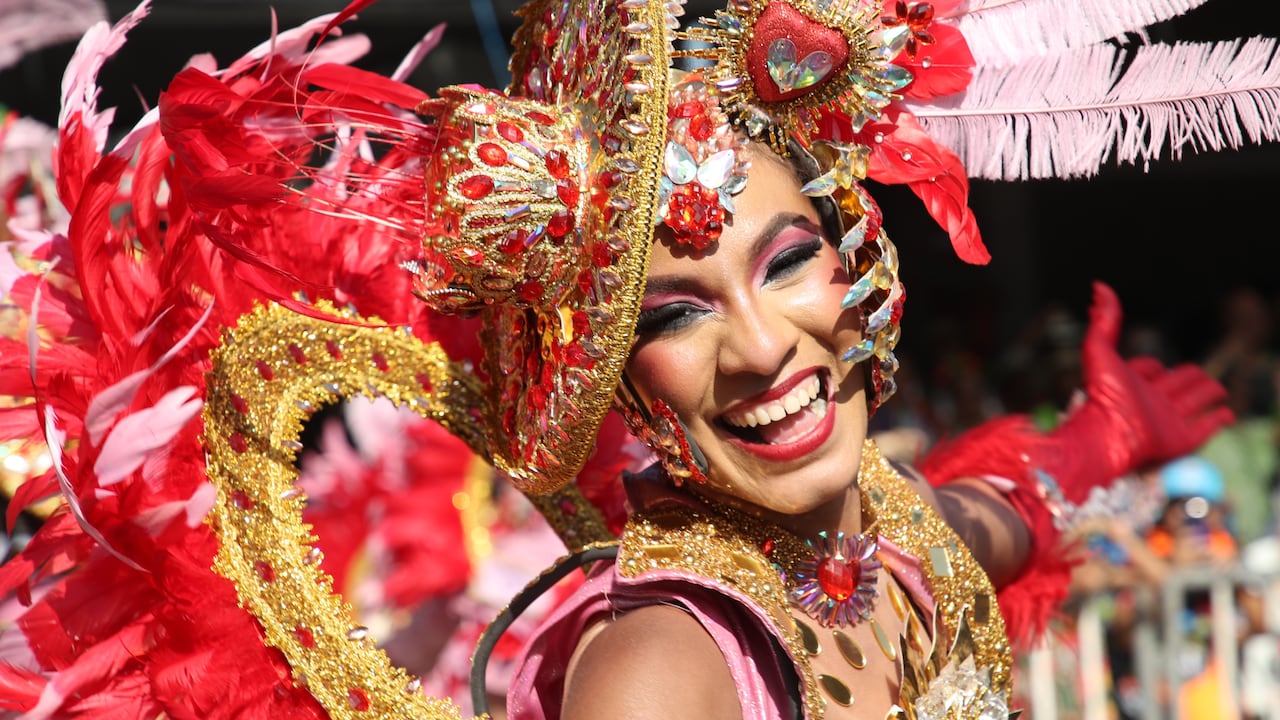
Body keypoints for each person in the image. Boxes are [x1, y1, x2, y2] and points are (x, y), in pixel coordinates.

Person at [0, 1, 1273, 719]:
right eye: (671, 318)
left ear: (854, 265)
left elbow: (989, 518)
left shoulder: (886, 537)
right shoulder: (660, 667)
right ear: (616, 385)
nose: (762, 345)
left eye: (781, 262)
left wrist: (1102, 440)